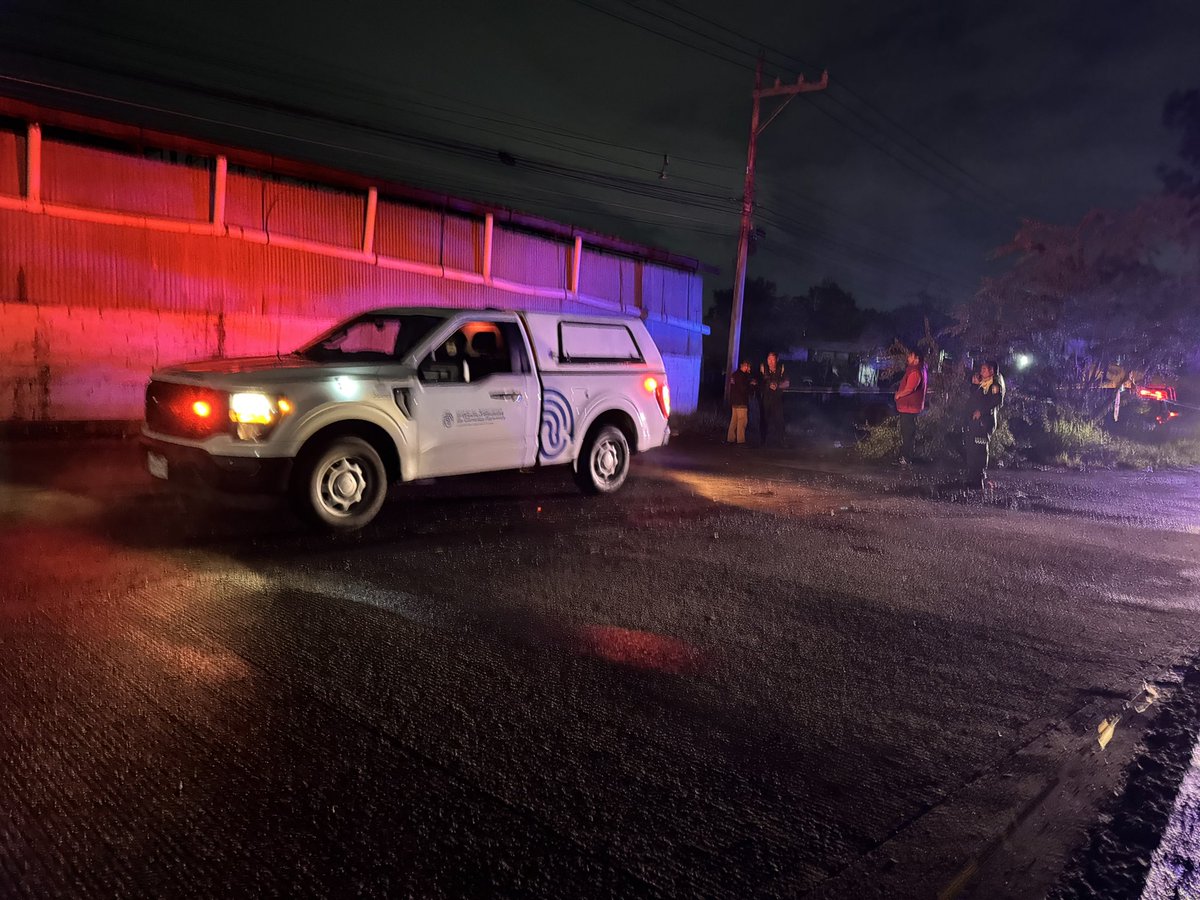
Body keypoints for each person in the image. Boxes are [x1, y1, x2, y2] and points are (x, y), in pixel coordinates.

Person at [965, 360, 1005, 490]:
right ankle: (972, 477)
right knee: (972, 447)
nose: (981, 372)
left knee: (980, 448)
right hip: (975, 421)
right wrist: (974, 385)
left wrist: (981, 412)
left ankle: (979, 478)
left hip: (985, 422)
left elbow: (995, 402)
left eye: (984, 369)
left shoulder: (995, 385)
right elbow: (974, 399)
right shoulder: (983, 383)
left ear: (991, 371)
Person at [893, 349, 928, 465]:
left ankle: (906, 458)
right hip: (910, 408)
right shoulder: (919, 370)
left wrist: (899, 394)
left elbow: (910, 388)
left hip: (909, 408)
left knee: (907, 433)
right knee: (908, 433)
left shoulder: (915, 371)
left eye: (910, 356)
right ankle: (905, 456)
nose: (908, 358)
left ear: (916, 359)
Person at [757, 352, 790, 447]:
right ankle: (762, 441)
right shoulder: (763, 369)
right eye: (769, 359)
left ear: (777, 360)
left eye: (773, 359)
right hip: (766, 399)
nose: (771, 362)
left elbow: (787, 383)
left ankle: (781, 441)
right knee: (764, 420)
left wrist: (778, 385)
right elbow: (758, 382)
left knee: (779, 420)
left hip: (777, 399)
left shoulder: (781, 369)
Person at [726, 360, 754, 445]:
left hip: (734, 401)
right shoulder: (743, 376)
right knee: (742, 421)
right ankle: (740, 440)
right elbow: (743, 388)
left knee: (734, 420)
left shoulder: (734, 375)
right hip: (741, 401)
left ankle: (730, 438)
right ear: (745, 366)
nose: (749, 368)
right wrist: (751, 385)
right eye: (748, 366)